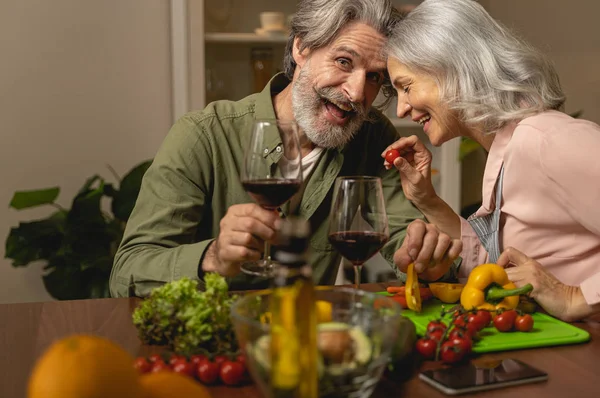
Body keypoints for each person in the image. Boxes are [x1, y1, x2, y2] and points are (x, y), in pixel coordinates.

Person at [109, 0, 463, 298]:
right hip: (213, 348)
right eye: (343, 61)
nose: (357, 93)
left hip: (309, 341)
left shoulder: (371, 137)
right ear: (301, 48)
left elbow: (405, 242)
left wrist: (423, 257)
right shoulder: (203, 136)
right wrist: (213, 257)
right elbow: (127, 273)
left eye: (374, 77)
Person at [384, 0, 600, 321]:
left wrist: (575, 297)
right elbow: (491, 263)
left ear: (451, 67)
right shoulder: (507, 146)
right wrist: (425, 198)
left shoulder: (546, 140)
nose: (400, 108)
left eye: (406, 87)